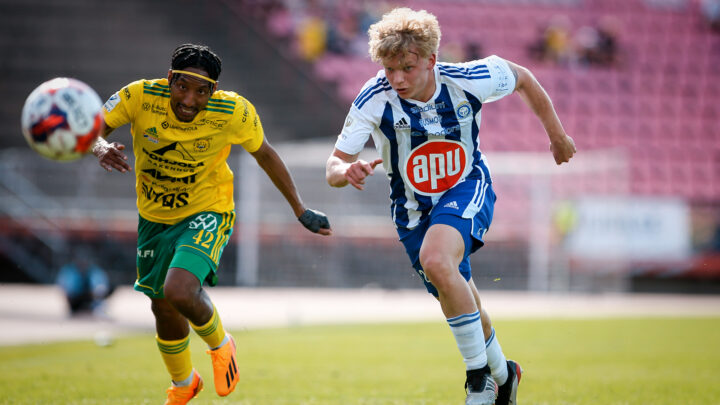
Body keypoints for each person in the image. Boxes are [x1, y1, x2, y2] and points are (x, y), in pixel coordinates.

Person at [325, 8, 575, 405]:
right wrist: (346, 170)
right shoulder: (375, 97)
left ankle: (478, 380)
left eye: (407, 67)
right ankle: (504, 373)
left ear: (431, 60)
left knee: (437, 261)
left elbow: (524, 78)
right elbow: (333, 165)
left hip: (466, 186)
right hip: (411, 212)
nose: (398, 78)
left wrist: (557, 136)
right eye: (390, 69)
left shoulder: (470, 79)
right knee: (463, 297)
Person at [93, 43, 332, 404]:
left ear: (213, 91)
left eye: (202, 91)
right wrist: (99, 147)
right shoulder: (139, 95)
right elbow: (93, 128)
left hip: (208, 211)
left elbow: (265, 153)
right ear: (169, 79)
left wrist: (300, 209)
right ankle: (183, 382)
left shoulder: (233, 111)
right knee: (162, 305)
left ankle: (221, 345)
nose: (190, 99)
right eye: (183, 87)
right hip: (154, 218)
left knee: (178, 290)